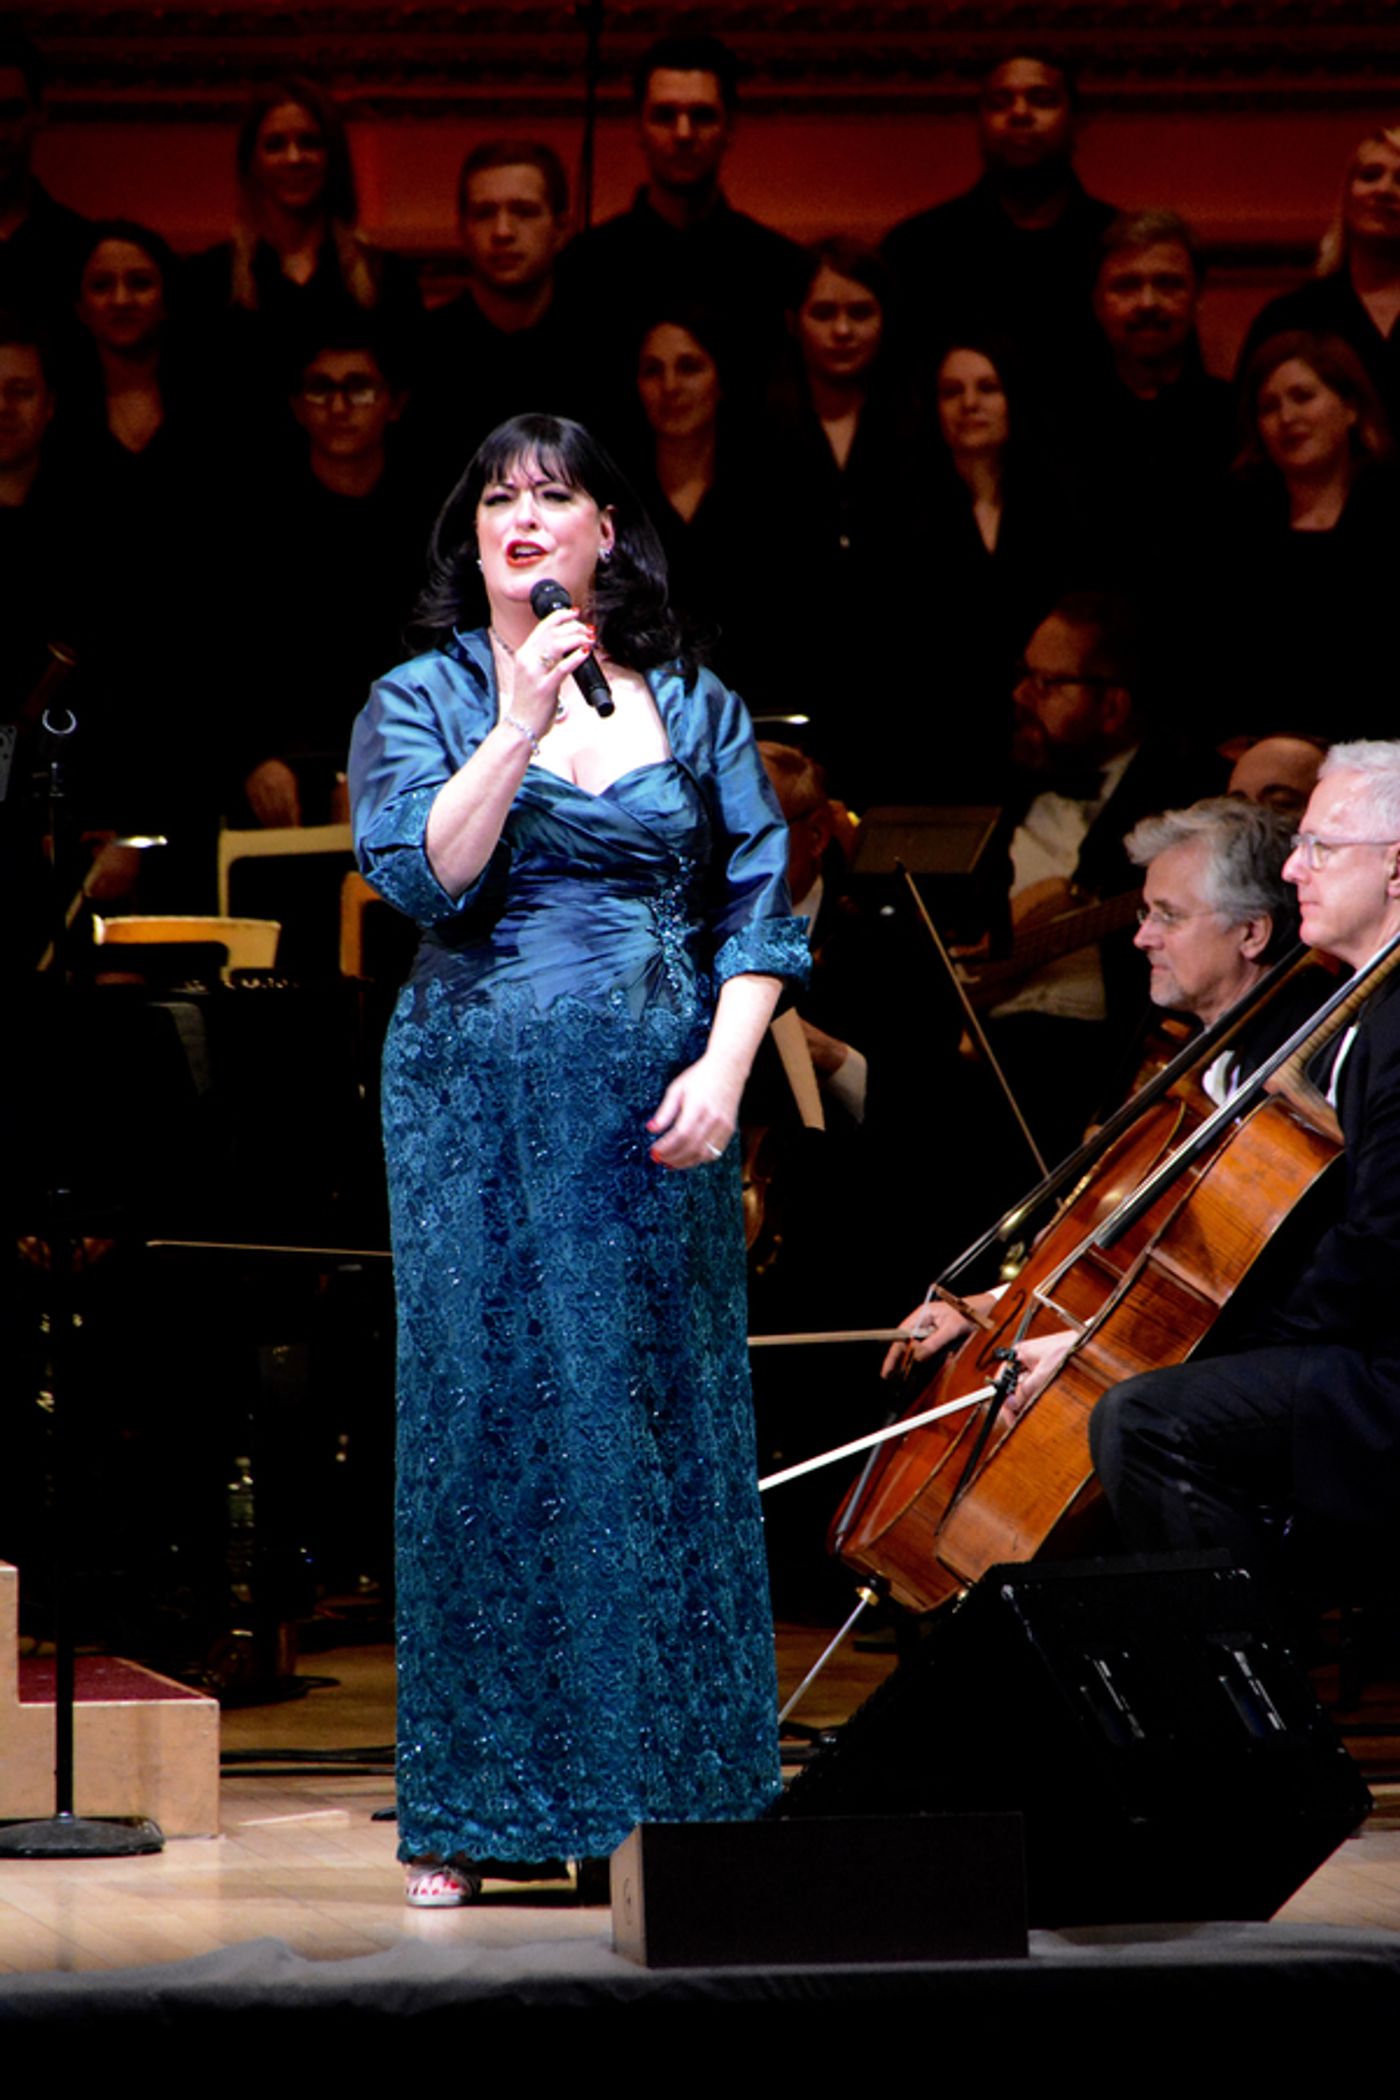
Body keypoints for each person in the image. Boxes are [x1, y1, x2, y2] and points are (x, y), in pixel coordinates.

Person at [348, 412, 807, 1903]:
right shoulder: (419, 696)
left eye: (554, 496)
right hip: (475, 1102)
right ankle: (480, 1810)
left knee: (653, 1423)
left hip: (658, 1105)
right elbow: (425, 877)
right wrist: (515, 722)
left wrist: (725, 1070)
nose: (524, 518)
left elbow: (759, 903)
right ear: (473, 535)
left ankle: (675, 1799)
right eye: (499, 499)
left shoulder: (697, 701)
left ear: (610, 531)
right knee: (489, 1425)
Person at [1090, 740, 1400, 1582]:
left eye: (1321, 848)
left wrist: (1219, 1352)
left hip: (1383, 1373)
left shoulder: (1392, 1021)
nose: (1294, 870)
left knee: (1146, 1419)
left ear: (1396, 867)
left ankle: (1252, 1664)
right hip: (1359, 1350)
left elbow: (1380, 1247)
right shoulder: (1368, 1007)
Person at [885, 793, 1307, 1376]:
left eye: (1169, 916)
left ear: (1253, 933)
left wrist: (1083, 1342)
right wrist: (995, 1305)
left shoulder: (1291, 1087)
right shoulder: (1194, 1063)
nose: (1142, 938)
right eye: (1145, 914)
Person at [556, 34, 805, 419]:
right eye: (665, 115)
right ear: (639, 127)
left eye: (702, 116)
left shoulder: (780, 268)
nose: (684, 133)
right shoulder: (583, 267)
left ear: (730, 128)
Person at [185, 76, 420, 453]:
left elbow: (406, 413)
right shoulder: (209, 279)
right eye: (275, 145)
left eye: (309, 142)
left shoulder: (386, 278)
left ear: (333, 158)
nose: (294, 158)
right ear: (251, 161)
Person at [883, 51, 1116, 420]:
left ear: (1077, 119)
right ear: (980, 121)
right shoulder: (918, 249)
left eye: (1042, 99)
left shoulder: (1121, 247)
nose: (1019, 113)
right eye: (999, 102)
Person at [1205, 331, 1397, 744]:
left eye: (1303, 397)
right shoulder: (1235, 528)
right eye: (1269, 407)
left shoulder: (1390, 518)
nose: (1286, 417)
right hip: (1257, 746)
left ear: (1350, 407)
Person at [416, 140, 588, 486]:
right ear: (461, 230)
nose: (502, 232)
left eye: (524, 212)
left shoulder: (600, 347)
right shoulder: (422, 351)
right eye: (484, 214)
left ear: (561, 228)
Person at [1237, 124, 1400, 433]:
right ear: (1346, 196)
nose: (1383, 190)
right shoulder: (1290, 318)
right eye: (1370, 176)